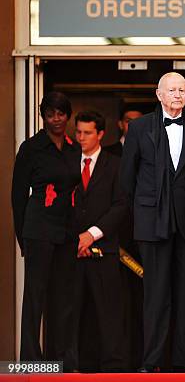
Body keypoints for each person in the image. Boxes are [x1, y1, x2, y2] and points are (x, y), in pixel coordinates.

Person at [120, 72, 185, 373]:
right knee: (156, 295)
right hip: (152, 222)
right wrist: (142, 214)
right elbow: (126, 179)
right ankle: (152, 362)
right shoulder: (139, 127)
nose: (177, 94)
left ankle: (184, 361)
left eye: (182, 90)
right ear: (158, 94)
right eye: (171, 89)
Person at [11, 92, 81, 369]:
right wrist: (22, 239)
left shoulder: (74, 148)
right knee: (35, 295)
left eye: (61, 113)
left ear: (68, 115)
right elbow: (18, 196)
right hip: (38, 227)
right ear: (43, 116)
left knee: (65, 296)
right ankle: (30, 359)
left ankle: (63, 358)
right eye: (50, 113)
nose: (56, 119)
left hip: (66, 229)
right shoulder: (31, 147)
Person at [72, 111, 128, 371]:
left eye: (87, 133)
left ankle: (113, 370)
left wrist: (91, 234)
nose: (81, 137)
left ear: (101, 135)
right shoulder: (67, 161)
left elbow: (121, 205)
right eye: (79, 132)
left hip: (103, 250)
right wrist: (74, 238)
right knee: (73, 314)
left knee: (109, 315)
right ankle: (76, 367)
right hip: (71, 252)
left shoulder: (115, 164)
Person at [103, 103, 144, 371]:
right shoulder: (107, 154)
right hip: (112, 240)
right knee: (114, 304)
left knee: (143, 303)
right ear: (120, 123)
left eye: (137, 122)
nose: (132, 126)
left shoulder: (149, 151)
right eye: (128, 121)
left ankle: (143, 360)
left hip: (143, 239)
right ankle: (114, 363)